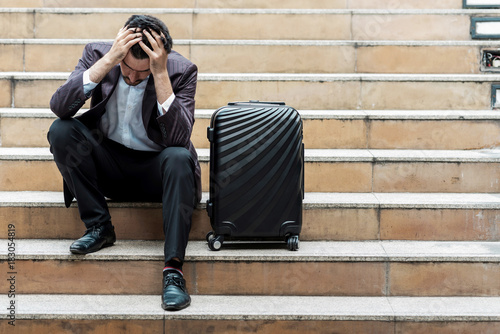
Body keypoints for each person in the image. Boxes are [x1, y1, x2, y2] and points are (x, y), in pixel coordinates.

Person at [47, 14, 201, 311]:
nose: (132, 78)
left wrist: (159, 75)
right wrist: (109, 61)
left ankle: (173, 271)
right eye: (127, 69)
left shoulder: (182, 71)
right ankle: (99, 227)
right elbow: (60, 107)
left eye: (141, 74)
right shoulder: (99, 54)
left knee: (180, 156)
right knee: (62, 131)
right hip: (109, 164)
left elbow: (180, 138)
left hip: (157, 171)